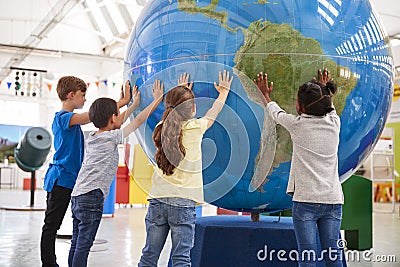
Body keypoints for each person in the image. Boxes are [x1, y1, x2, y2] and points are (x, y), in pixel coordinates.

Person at [138, 70, 233, 267]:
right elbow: (213, 113)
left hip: (157, 200)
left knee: (149, 255)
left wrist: (182, 93)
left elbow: (175, 117)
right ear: (192, 109)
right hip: (183, 203)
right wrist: (223, 93)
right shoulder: (196, 128)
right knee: (181, 258)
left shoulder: (160, 127)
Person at [67, 79, 163, 267]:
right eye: (119, 114)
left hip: (77, 195)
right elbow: (138, 120)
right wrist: (156, 100)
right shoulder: (111, 138)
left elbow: (121, 119)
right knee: (84, 245)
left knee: (76, 242)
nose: (122, 116)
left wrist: (132, 103)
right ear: (112, 118)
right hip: (91, 196)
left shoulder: (94, 137)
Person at [255, 69, 344, 267]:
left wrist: (265, 94)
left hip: (306, 202)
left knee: (308, 258)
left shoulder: (298, 125)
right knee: (333, 256)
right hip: (333, 200)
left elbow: (276, 113)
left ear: (300, 107)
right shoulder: (334, 123)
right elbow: (330, 108)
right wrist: (322, 89)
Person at [40, 76, 131, 267]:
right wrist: (121, 102)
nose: (84, 100)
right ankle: (48, 263)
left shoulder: (70, 120)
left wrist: (121, 106)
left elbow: (100, 116)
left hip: (71, 180)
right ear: (71, 95)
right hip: (60, 179)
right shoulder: (63, 117)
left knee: (67, 231)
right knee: (51, 226)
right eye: (82, 95)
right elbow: (95, 115)